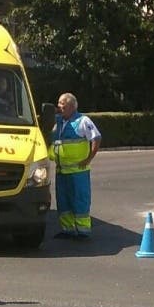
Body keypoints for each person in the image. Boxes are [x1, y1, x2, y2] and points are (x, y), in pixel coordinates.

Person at [51, 92, 101, 240]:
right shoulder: (58, 121)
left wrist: (89, 158)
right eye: (59, 103)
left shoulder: (82, 121)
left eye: (62, 104)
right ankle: (68, 230)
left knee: (80, 200)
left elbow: (96, 137)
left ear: (72, 106)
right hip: (61, 171)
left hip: (78, 171)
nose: (59, 106)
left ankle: (83, 231)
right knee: (63, 201)